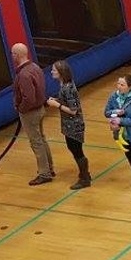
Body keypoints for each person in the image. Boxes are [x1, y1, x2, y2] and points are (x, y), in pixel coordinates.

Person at [11, 43, 54, 186]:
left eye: (13, 54)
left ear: (17, 55)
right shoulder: (35, 67)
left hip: (31, 113)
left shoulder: (23, 74)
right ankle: (49, 168)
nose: (12, 56)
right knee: (41, 139)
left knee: (36, 141)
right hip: (40, 108)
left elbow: (28, 97)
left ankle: (44, 173)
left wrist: (21, 108)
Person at [45, 60, 89, 190]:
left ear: (61, 72)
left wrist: (56, 105)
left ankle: (84, 177)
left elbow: (73, 110)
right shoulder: (64, 86)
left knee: (76, 150)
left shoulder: (68, 88)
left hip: (73, 125)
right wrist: (58, 100)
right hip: (68, 124)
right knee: (74, 149)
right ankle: (84, 174)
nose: (51, 72)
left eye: (54, 70)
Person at [104, 75, 131, 204]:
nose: (119, 86)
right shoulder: (114, 96)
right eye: (118, 83)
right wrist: (115, 113)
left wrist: (121, 120)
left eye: (122, 85)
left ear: (130, 87)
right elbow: (106, 112)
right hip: (122, 137)